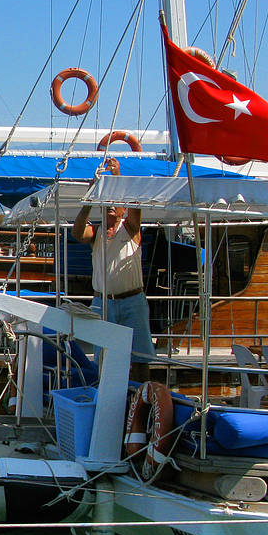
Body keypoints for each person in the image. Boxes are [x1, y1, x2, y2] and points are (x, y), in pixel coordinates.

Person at [71, 156, 156, 381]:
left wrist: (117, 176)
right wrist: (89, 200)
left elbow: (135, 210)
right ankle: (105, 400)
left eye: (114, 204)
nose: (110, 206)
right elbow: (77, 233)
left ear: (121, 210)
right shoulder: (96, 233)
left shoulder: (130, 229)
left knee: (139, 359)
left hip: (132, 302)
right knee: (103, 358)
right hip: (103, 302)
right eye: (106, 203)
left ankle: (140, 402)